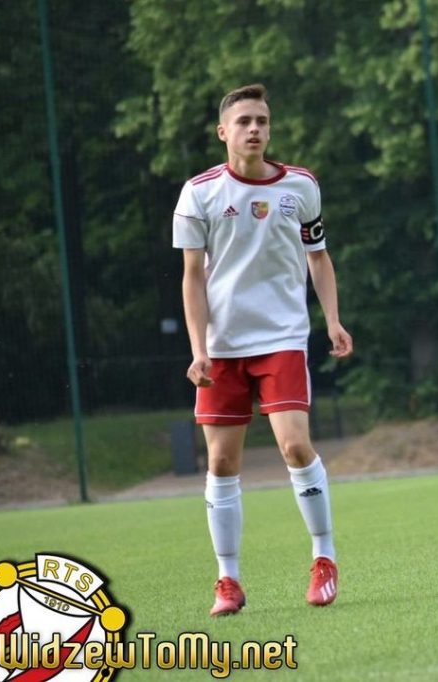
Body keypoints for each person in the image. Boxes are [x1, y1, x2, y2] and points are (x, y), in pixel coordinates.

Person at [173, 84, 353, 616]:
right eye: (244, 121)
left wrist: (333, 320)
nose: (255, 129)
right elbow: (191, 277)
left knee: (295, 447)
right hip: (222, 346)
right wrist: (199, 349)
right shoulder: (199, 193)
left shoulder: (301, 186)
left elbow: (318, 257)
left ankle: (324, 559)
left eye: (263, 121)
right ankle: (227, 580)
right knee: (221, 461)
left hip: (282, 338)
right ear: (223, 132)